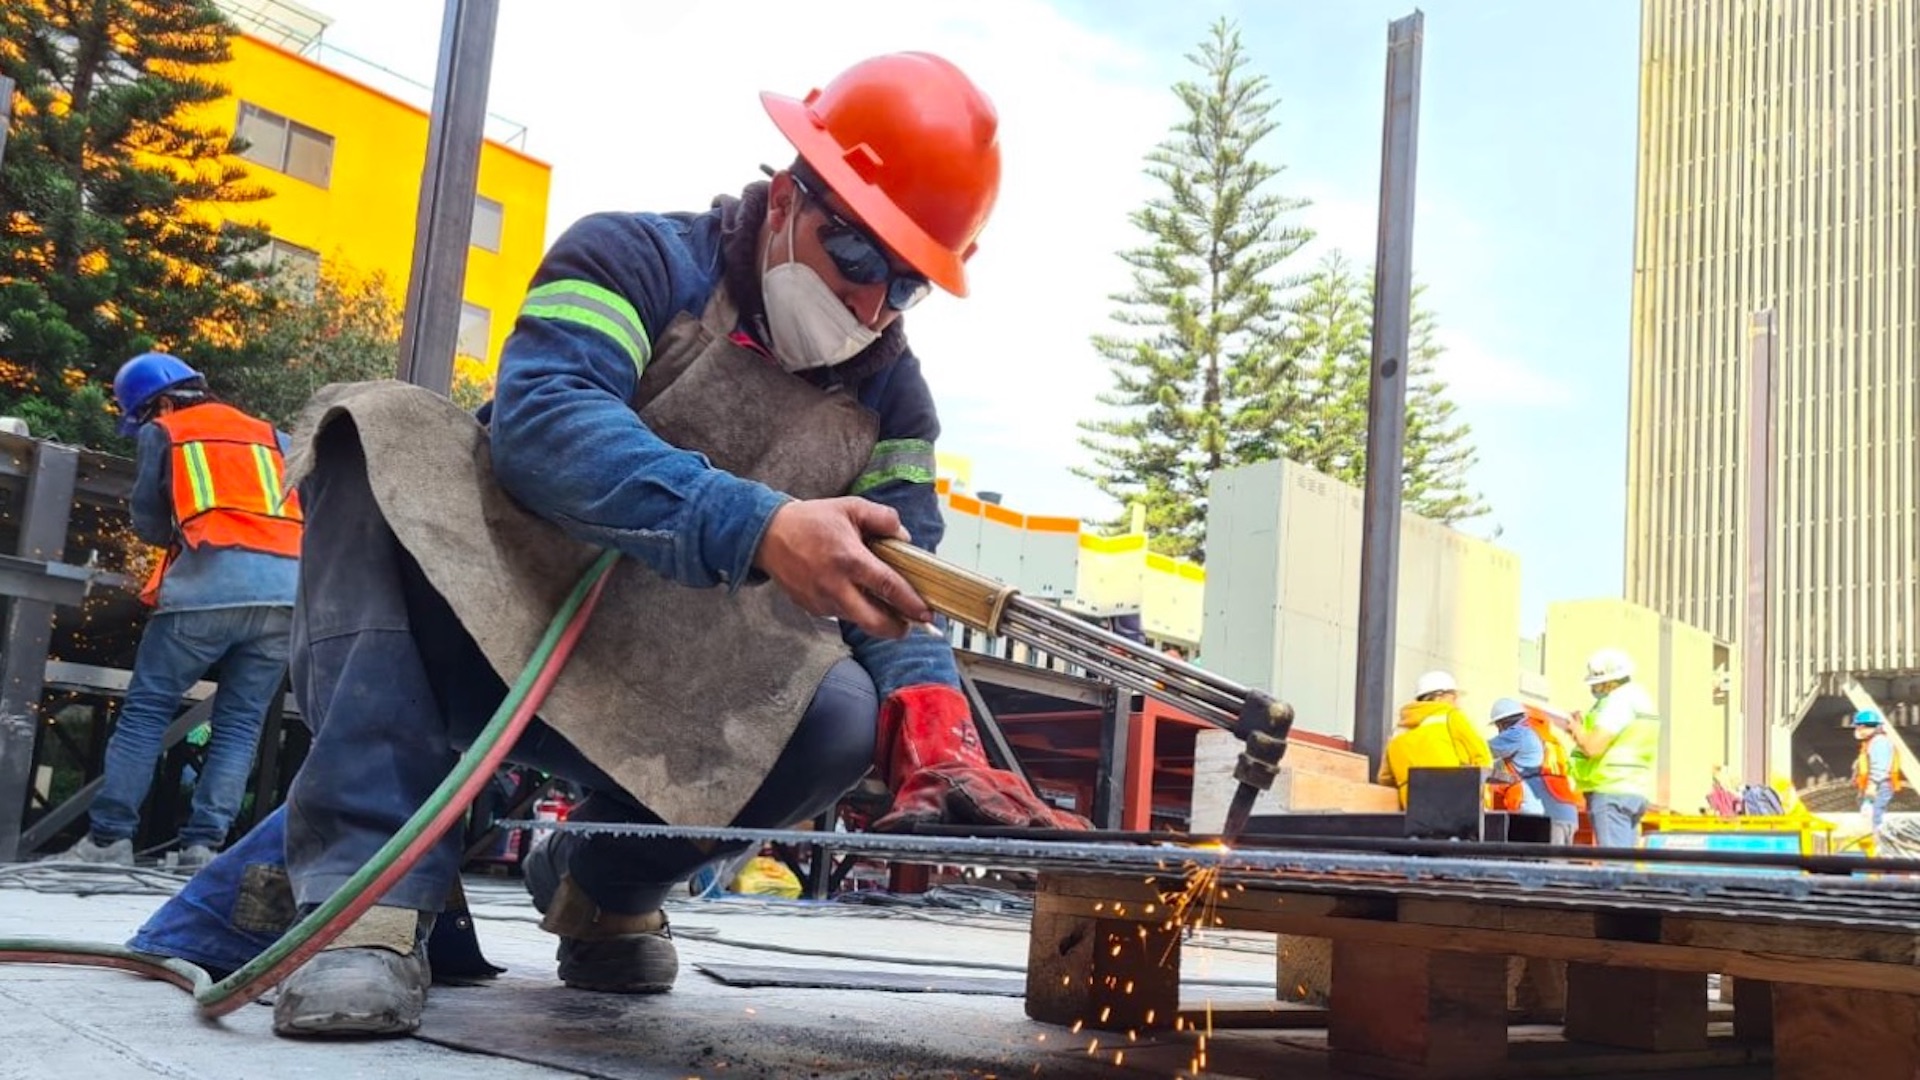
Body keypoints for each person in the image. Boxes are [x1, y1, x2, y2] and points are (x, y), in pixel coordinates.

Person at [131, 52, 1085, 1040]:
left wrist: (932, 718)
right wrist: (754, 524)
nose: (873, 306)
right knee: (373, 434)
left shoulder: (890, 393)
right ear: (795, 193)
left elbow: (896, 572)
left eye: (906, 285)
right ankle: (369, 908)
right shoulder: (634, 256)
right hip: (486, 609)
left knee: (840, 712)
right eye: (856, 262)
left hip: (664, 670)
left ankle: (601, 884)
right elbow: (545, 418)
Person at [58, 354, 299, 870]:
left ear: (162, 403)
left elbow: (147, 522)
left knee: (147, 712)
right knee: (241, 723)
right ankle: (202, 847)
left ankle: (108, 842)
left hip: (206, 592)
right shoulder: (274, 436)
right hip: (287, 596)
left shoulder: (167, 431)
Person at [1559, 648, 1661, 848]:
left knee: (1613, 865)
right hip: (1636, 790)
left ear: (1609, 682)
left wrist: (1576, 729)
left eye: (1596, 684)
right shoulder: (1642, 700)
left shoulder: (1618, 702)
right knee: (1625, 864)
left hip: (1611, 790)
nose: (1594, 689)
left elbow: (1593, 747)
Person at [1377, 670, 1492, 809]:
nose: (1457, 703)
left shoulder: (1398, 732)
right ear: (1439, 697)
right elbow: (1482, 757)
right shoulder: (1451, 716)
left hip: (1416, 812)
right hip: (1458, 805)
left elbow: (1385, 778)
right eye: (1453, 697)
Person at [1485, 698, 1583, 845]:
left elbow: (1481, 750)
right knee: (1558, 866)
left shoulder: (1518, 734)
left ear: (1502, 724)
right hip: (1567, 813)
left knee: (1536, 865)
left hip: (1540, 814)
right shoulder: (1549, 739)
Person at [1851, 709, 1902, 841]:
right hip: (1876, 785)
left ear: (1864, 727)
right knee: (1869, 814)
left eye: (1858, 727)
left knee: (1875, 815)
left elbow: (1880, 768)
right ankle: (1875, 841)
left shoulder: (1880, 742)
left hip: (1880, 785)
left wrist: (1872, 785)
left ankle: (1878, 843)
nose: (1857, 730)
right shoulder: (1872, 742)